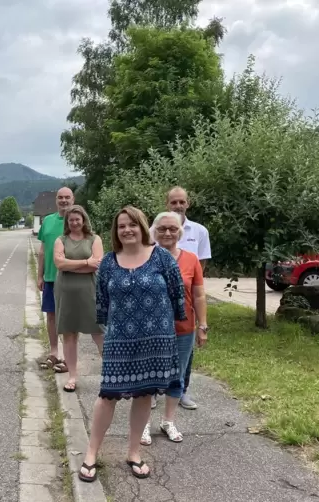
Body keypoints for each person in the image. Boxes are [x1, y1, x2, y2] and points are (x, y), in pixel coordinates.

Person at [79, 206, 186, 483]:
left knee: (144, 395)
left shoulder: (162, 258)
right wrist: (105, 325)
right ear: (116, 231)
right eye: (121, 226)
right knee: (107, 395)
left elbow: (177, 294)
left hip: (156, 339)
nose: (127, 230)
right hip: (119, 339)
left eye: (132, 225)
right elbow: (102, 299)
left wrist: (172, 325)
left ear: (142, 227)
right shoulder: (109, 263)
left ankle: (134, 452)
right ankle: (91, 454)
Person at [141, 212, 208, 445]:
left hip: (184, 328)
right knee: (148, 375)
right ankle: (143, 424)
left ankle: (168, 421)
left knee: (176, 376)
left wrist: (203, 325)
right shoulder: (145, 257)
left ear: (180, 232)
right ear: (154, 231)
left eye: (172, 229)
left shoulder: (191, 260)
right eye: (162, 229)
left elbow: (199, 295)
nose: (167, 233)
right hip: (151, 329)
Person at [150, 186, 211, 411]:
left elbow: (198, 281)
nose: (178, 205)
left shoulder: (199, 232)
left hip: (185, 313)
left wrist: (202, 323)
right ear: (167, 203)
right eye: (173, 202)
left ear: (188, 203)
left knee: (183, 359)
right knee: (155, 356)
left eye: (181, 202)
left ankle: (181, 391)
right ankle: (154, 391)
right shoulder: (153, 231)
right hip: (154, 318)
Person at [53, 205, 104, 392]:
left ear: (84, 220)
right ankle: (72, 377)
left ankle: (111, 374)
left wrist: (72, 265)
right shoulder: (61, 240)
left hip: (90, 291)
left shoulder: (94, 239)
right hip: (66, 293)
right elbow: (59, 263)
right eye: (71, 220)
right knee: (69, 334)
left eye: (77, 219)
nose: (74, 223)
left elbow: (97, 264)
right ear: (67, 222)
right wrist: (85, 262)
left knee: (99, 332)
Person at [37, 187, 74, 373]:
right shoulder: (48, 221)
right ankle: (54, 352)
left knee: (67, 319)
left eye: (67, 197)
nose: (64, 201)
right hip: (51, 277)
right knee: (51, 316)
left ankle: (69, 359)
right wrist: (39, 275)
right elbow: (43, 251)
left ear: (73, 199)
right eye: (60, 197)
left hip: (70, 278)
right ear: (56, 200)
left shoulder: (77, 221)